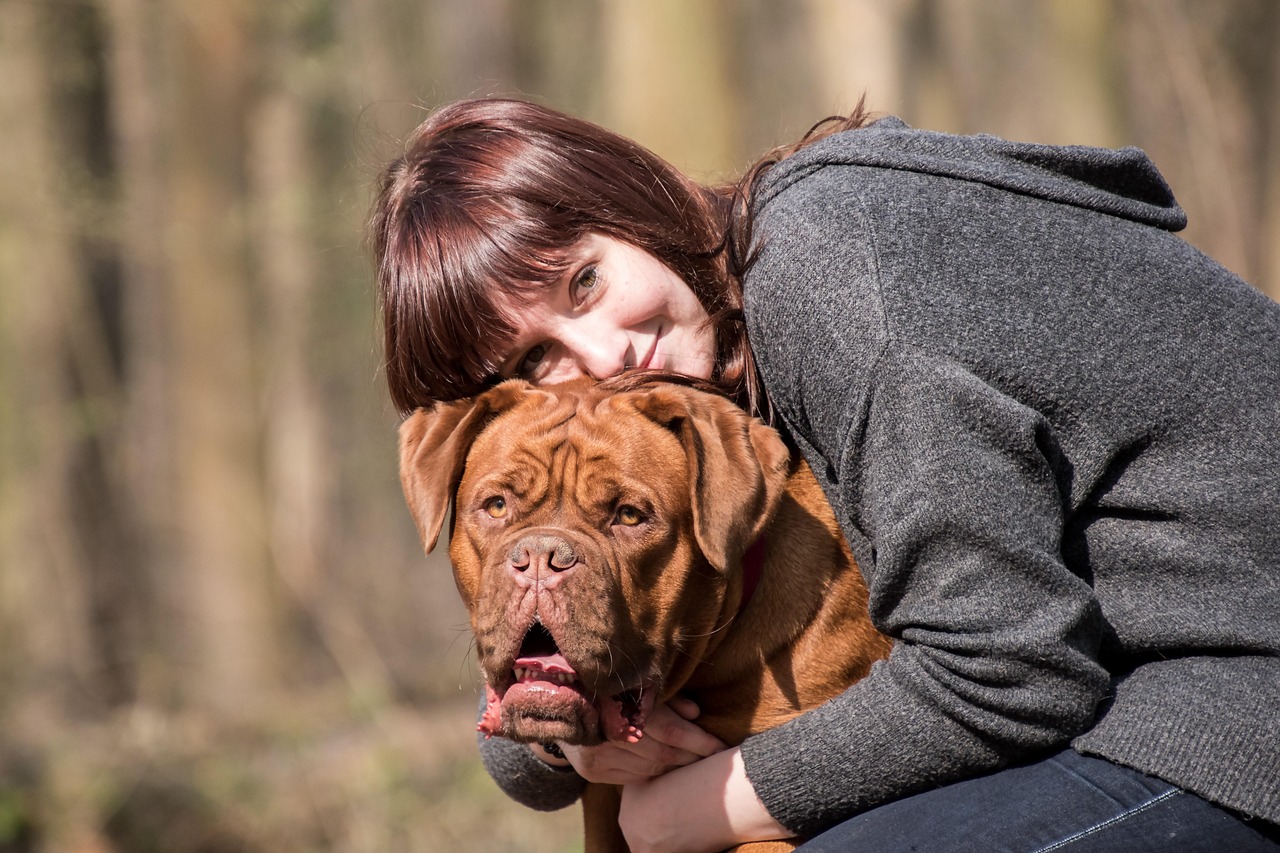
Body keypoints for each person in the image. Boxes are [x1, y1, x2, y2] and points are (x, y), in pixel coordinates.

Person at [368, 97, 1280, 852]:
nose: (605, 356)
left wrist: (700, 805)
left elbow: (1013, 670)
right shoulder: (704, 373)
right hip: (1130, 689)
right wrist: (574, 736)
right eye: (535, 361)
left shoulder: (839, 282)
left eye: (584, 283)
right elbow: (523, 746)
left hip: (1234, 697)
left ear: (629, 196)